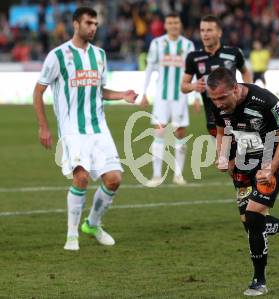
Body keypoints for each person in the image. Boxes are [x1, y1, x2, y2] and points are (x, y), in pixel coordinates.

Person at [33, 7, 138, 251]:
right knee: (80, 177)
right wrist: (43, 127)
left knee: (114, 180)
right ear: (75, 24)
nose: (93, 27)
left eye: (95, 24)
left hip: (98, 128)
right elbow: (38, 91)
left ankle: (92, 224)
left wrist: (122, 95)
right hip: (72, 130)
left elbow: (99, 90)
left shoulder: (100, 55)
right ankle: (72, 235)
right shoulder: (57, 56)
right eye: (88, 23)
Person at [207, 67, 279, 296]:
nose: (218, 104)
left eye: (221, 98)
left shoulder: (265, 101)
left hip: (273, 160)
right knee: (250, 224)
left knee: (254, 215)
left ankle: (259, 280)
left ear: (236, 89)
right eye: (214, 99)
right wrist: (222, 156)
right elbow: (222, 131)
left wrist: (271, 168)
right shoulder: (218, 105)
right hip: (243, 162)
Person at [139, 12, 197, 187]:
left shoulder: (188, 45)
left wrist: (195, 97)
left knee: (180, 134)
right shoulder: (157, 43)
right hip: (161, 98)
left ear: (180, 25)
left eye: (176, 23)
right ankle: (157, 176)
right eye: (170, 23)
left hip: (180, 97)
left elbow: (193, 72)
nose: (173, 25)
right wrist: (144, 93)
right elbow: (149, 68)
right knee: (159, 132)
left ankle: (178, 175)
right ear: (165, 25)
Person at [181, 15, 252, 138]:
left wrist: (247, 91)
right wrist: (193, 86)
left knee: (241, 155)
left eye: (209, 30)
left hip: (237, 114)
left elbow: (245, 72)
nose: (205, 34)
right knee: (224, 155)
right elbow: (183, 87)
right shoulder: (193, 57)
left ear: (219, 33)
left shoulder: (234, 53)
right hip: (213, 119)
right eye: (202, 30)